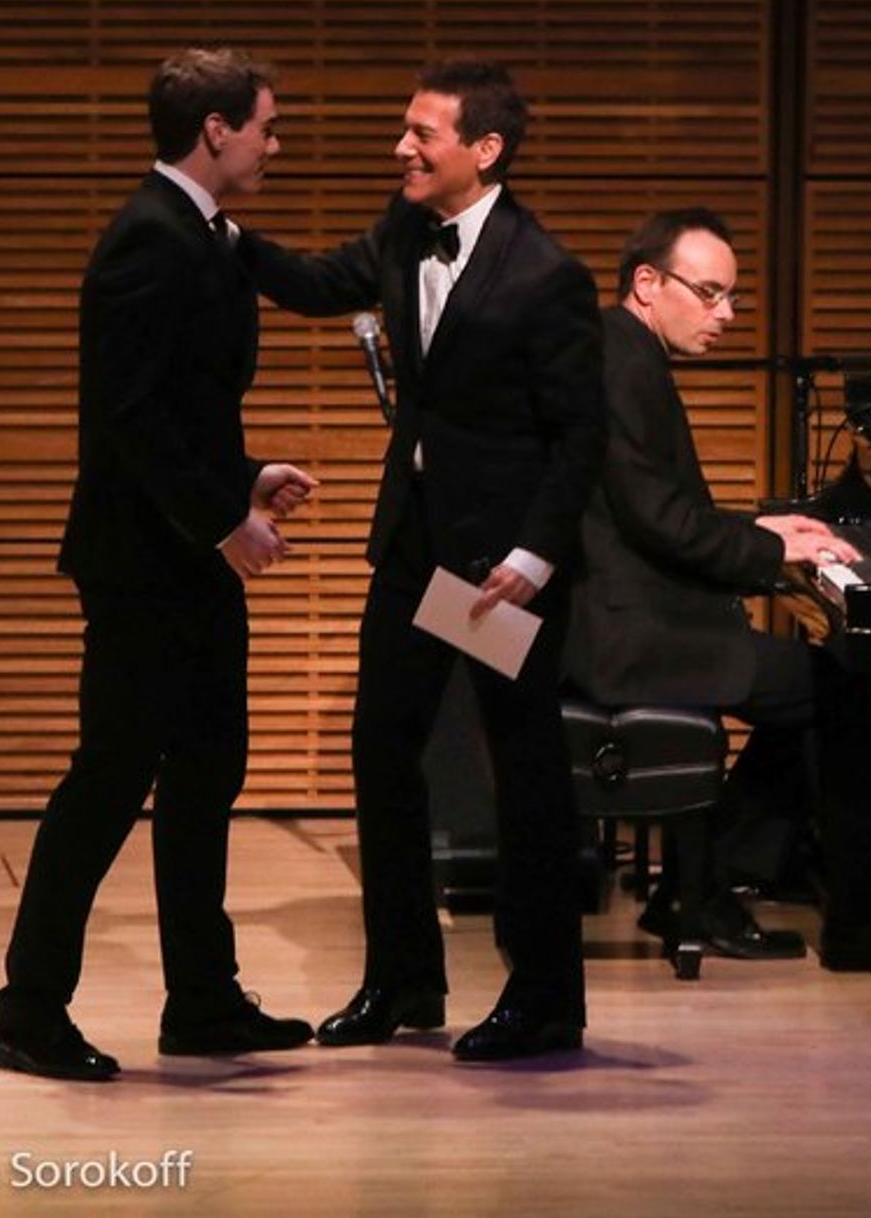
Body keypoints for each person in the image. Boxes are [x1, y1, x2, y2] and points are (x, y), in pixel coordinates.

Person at [247, 61, 605, 1060]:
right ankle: (402, 981)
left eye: (421, 134)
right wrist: (218, 232)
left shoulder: (546, 274)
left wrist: (534, 557)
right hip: (416, 548)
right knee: (382, 748)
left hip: (495, 569)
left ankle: (544, 1001)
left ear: (484, 150)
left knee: (520, 770)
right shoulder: (405, 230)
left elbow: (580, 438)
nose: (401, 148)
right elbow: (319, 283)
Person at [0, 48, 320, 1081]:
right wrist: (224, 521)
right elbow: (127, 417)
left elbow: (182, 410)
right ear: (215, 130)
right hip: (144, 565)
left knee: (207, 771)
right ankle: (29, 1012)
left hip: (187, 558)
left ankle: (203, 1001)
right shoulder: (149, 237)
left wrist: (245, 476)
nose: (274, 144)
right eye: (266, 126)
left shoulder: (200, 234)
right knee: (109, 779)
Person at [563, 206, 871, 970]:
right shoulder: (618, 363)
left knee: (823, 681)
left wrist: (768, 529)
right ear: (646, 283)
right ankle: (864, 902)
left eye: (732, 297)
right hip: (625, 636)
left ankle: (712, 884)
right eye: (709, 293)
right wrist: (771, 545)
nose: (726, 314)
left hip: (635, 614)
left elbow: (659, 511)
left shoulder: (623, 351)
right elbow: (659, 521)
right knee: (834, 682)